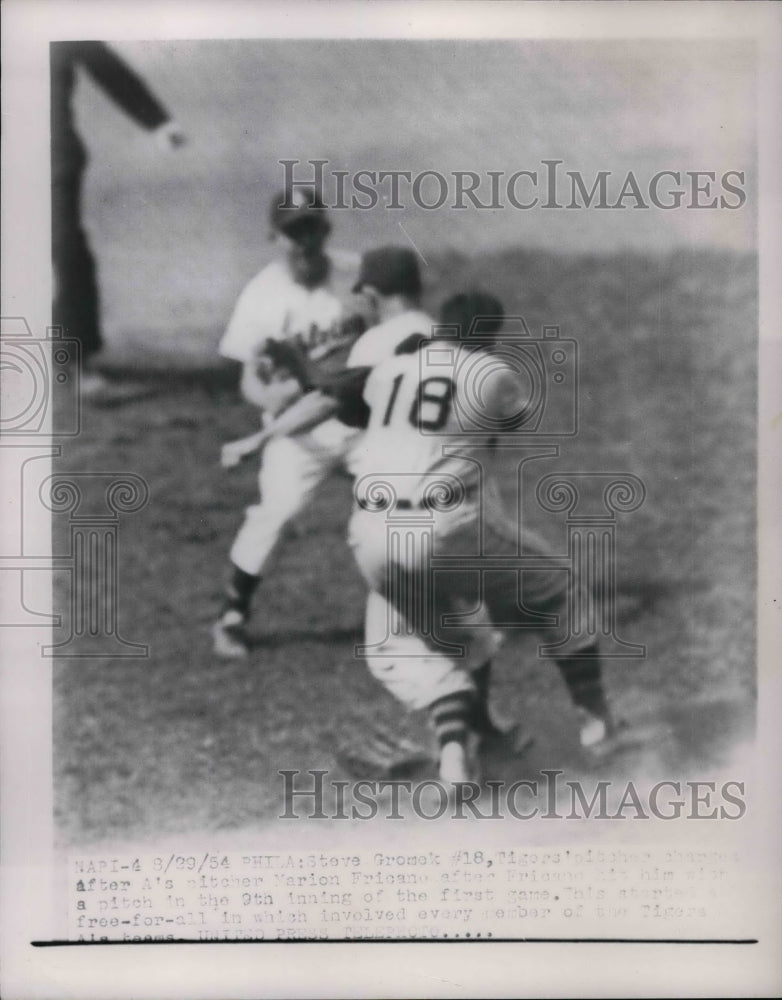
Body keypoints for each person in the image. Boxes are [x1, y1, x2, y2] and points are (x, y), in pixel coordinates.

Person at [243, 291, 619, 784]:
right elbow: (511, 420)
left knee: (424, 643)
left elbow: (341, 394)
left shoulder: (388, 373)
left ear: (444, 326)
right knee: (560, 589)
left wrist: (331, 368)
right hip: (448, 527)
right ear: (488, 335)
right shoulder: (492, 373)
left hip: (372, 535)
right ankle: (597, 725)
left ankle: (458, 757)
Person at [212, 232, 435, 658]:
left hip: (360, 421)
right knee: (277, 513)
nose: (303, 243)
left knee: (407, 503)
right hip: (300, 430)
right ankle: (232, 614)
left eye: (309, 227)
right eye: (293, 231)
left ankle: (425, 611)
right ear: (276, 236)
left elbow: (356, 373)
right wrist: (267, 400)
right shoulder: (262, 294)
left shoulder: (355, 272)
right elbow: (249, 379)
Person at [51, 41, 186, 396]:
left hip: (50, 158)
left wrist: (157, 122)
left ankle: (74, 365)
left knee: (65, 251)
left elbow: (104, 64)